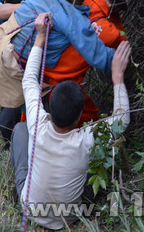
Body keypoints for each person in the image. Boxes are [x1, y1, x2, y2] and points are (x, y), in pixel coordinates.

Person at [10, 13, 131, 230]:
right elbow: (122, 120)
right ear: (78, 118)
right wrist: (118, 77)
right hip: (68, 219)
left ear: (50, 109)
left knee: (20, 130)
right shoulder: (87, 140)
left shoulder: (37, 124)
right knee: (104, 159)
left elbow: (29, 80)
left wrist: (40, 36)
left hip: (30, 210)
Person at [0, 0, 115, 109]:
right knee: (40, 118)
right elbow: (97, 55)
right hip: (14, 72)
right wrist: (121, 58)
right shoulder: (71, 19)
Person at [44, 0, 137, 126]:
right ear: (119, 8)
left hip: (38, 74)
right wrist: (113, 17)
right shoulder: (111, 33)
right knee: (92, 125)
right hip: (66, 90)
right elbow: (124, 45)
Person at [0, 0, 29, 149]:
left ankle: (15, 144)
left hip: (18, 77)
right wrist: (31, 7)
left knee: (13, 115)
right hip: (1, 76)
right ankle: (11, 145)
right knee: (8, 117)